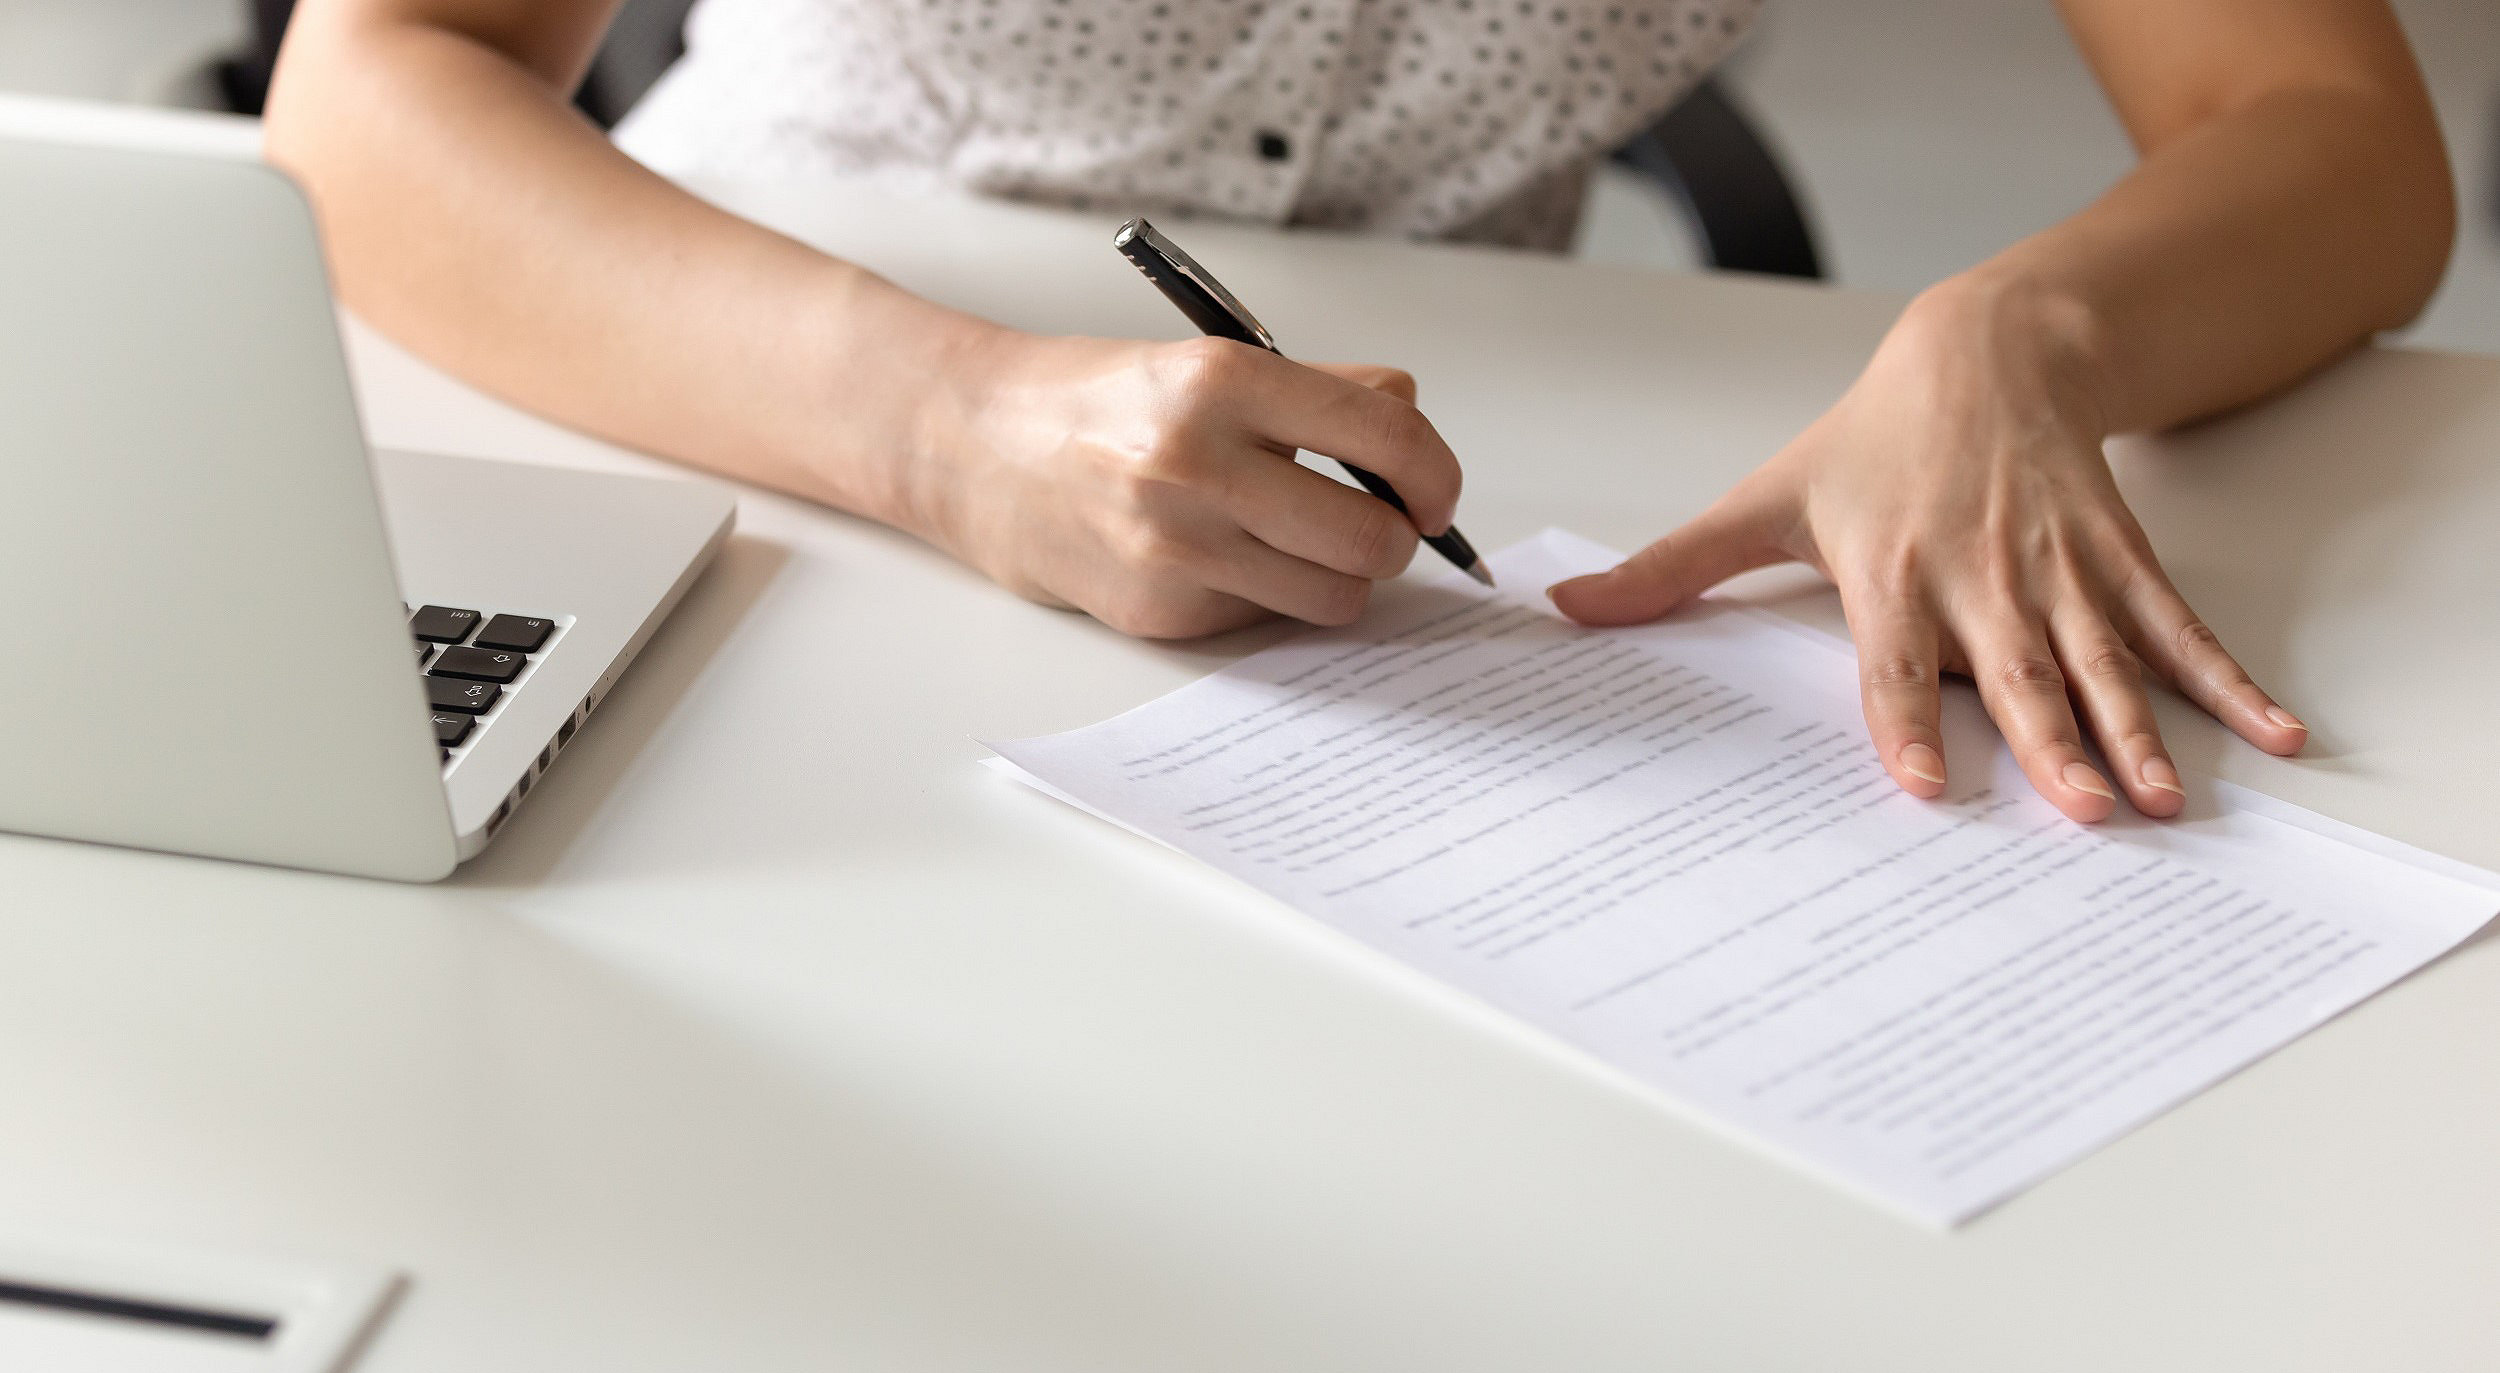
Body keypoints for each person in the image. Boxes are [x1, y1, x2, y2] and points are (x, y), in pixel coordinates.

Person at [263, 0, 2453, 824]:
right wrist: (949, 428)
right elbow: (364, 85)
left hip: (1366, 553)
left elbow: (2323, 126)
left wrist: (2020, 337)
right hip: (731, 399)